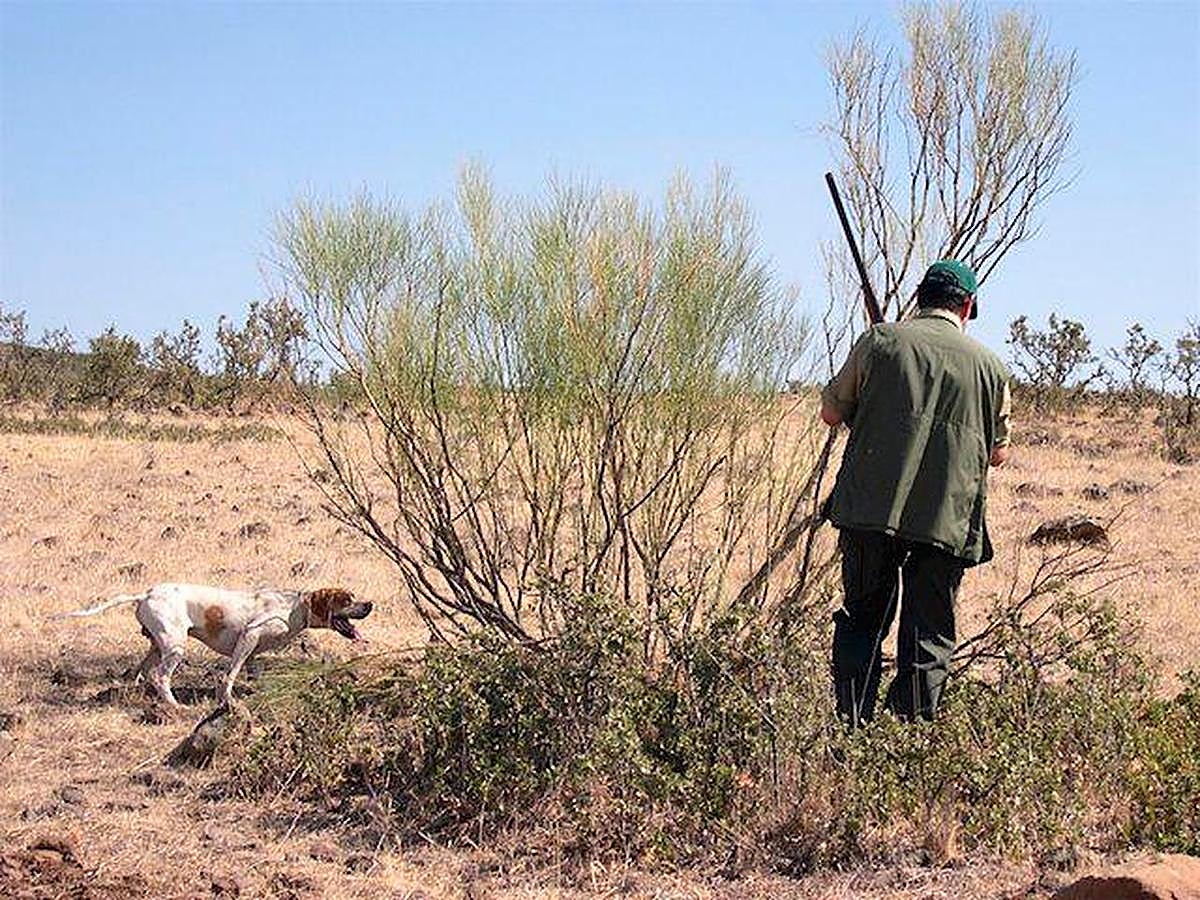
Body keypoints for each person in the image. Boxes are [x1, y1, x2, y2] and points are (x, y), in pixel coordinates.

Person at [819, 260, 1011, 725]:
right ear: (968, 306)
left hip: (870, 512)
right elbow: (997, 455)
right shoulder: (991, 368)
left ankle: (852, 733)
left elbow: (830, 412)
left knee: (863, 623)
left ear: (919, 297)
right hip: (946, 522)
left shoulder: (881, 341)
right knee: (928, 639)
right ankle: (906, 747)